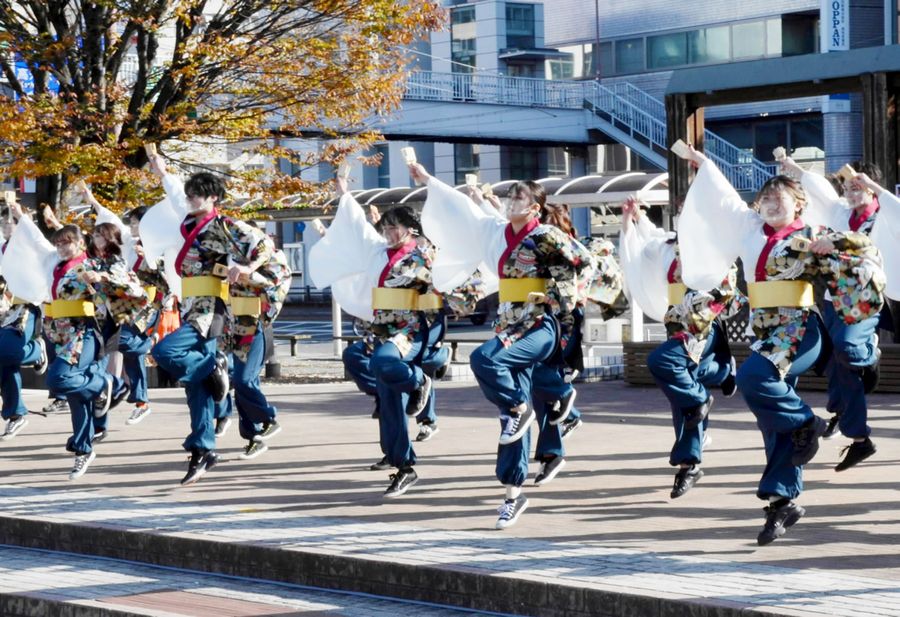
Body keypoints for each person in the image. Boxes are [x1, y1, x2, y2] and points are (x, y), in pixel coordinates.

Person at [676, 145, 885, 545]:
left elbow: (868, 250)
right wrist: (704, 165)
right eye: (764, 198)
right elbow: (722, 197)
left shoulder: (811, 235)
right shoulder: (749, 230)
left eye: (779, 197)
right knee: (771, 419)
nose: (769, 203)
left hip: (799, 330)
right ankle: (781, 501)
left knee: (754, 377)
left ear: (799, 204)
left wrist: (834, 247)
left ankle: (808, 422)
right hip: (765, 333)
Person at [418, 165, 593, 529]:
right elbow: (463, 216)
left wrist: (552, 297)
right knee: (510, 423)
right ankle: (513, 495)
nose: (512, 200)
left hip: (538, 326)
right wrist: (428, 182)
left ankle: (527, 406)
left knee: (484, 360)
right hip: (509, 325)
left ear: (535, 208)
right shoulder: (500, 233)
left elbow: (583, 263)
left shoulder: (546, 235)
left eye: (520, 196)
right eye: (511, 194)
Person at [309, 175, 446, 497]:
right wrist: (344, 194)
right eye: (385, 227)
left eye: (394, 227)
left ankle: (418, 382)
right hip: (382, 330)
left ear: (411, 229)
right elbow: (356, 226)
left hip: (411, 331)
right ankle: (403, 465)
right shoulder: (377, 253)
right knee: (379, 387)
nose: (387, 232)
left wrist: (439, 325)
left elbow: (449, 289)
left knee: (385, 364)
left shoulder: (425, 256)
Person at [144, 151, 271, 485]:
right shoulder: (185, 222)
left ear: (212, 197)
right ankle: (203, 449)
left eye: (196, 194)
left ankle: (215, 370)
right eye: (189, 194)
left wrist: (246, 267)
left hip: (210, 308)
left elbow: (262, 245)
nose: (189, 198)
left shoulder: (223, 225)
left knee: (163, 352)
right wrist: (161, 169)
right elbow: (173, 193)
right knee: (195, 389)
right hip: (189, 304)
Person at [619, 195, 742, 499]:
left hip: (702, 325)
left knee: (664, 364)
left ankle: (709, 388)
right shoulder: (669, 246)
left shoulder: (716, 249)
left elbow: (727, 293)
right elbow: (650, 238)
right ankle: (689, 464)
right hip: (677, 323)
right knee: (685, 392)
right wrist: (632, 220)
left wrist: (699, 309)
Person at [4, 201, 136, 480]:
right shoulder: (54, 262)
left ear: (81, 243)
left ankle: (107, 384)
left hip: (84, 332)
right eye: (60, 243)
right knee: (77, 396)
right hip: (58, 332)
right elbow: (38, 242)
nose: (63, 248)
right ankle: (83, 449)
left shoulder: (92, 263)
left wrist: (100, 276)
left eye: (69, 243)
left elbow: (123, 281)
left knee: (59, 380)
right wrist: (21, 217)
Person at [783, 157, 891, 468]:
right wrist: (796, 170)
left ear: (872, 190)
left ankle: (869, 356)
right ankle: (859, 437)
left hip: (866, 296)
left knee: (847, 349)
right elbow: (818, 191)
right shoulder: (841, 214)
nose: (853, 194)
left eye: (860, 188)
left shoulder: (885, 216)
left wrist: (871, 185)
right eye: (848, 188)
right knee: (835, 360)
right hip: (834, 298)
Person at [0, 206, 48, 441]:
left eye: (12, 222)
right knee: (4, 362)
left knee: (8, 352)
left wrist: (22, 215)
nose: (8, 226)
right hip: (5, 310)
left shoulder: (31, 247)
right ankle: (16, 413)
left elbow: (38, 242)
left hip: (26, 307)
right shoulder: (3, 249)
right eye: (4, 223)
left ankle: (37, 350)